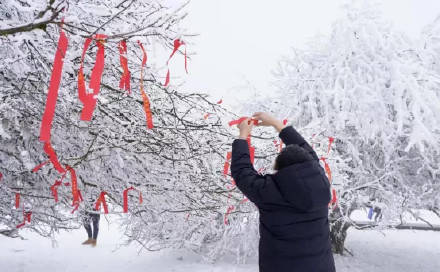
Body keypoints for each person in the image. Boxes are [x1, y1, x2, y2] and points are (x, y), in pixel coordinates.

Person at [231, 112, 336, 272]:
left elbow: (242, 171)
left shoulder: (270, 191)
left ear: (279, 167)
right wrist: (277, 124)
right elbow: (308, 153)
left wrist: (243, 135)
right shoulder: (321, 182)